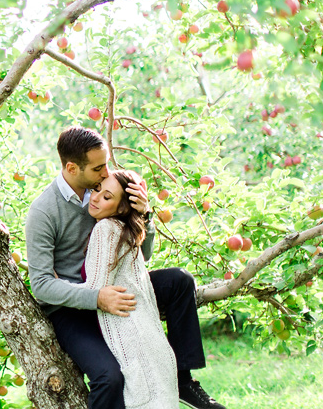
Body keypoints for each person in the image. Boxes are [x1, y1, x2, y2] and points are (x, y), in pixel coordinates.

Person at [25, 126, 225, 409]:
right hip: (73, 308)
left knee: (179, 281)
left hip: (118, 286)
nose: (107, 172)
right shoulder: (44, 212)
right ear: (72, 168)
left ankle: (182, 380)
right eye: (99, 167)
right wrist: (97, 297)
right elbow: (42, 285)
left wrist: (144, 215)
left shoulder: (104, 189)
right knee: (110, 376)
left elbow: (139, 257)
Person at [80, 169, 177, 408]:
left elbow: (95, 290)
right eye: (96, 190)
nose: (95, 198)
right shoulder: (129, 233)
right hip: (151, 336)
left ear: (122, 207)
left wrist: (54, 282)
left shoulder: (105, 229)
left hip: (130, 336)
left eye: (107, 197)